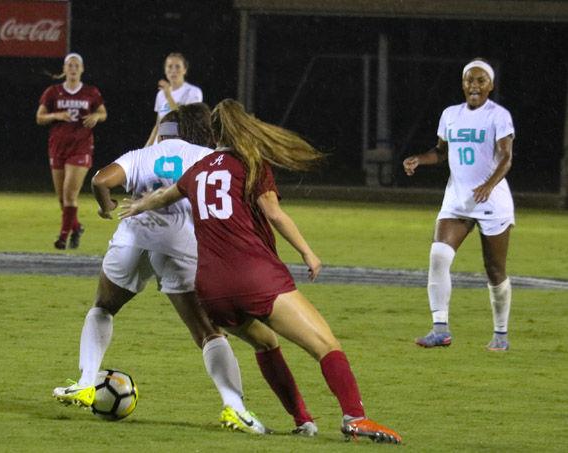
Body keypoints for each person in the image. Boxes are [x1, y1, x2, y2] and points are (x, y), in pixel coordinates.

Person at [118, 99, 402, 444]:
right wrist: (308, 252)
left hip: (211, 289)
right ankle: (355, 417)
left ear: (214, 134)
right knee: (326, 345)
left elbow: (165, 195)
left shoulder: (199, 168)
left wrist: (138, 205)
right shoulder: (250, 163)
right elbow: (275, 214)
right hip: (253, 277)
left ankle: (303, 420)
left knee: (266, 343)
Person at [53, 103, 316, 436]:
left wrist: (107, 207)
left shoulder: (143, 154)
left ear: (166, 129)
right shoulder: (208, 157)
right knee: (208, 333)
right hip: (181, 244)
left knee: (103, 307)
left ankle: (87, 382)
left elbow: (101, 180)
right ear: (205, 130)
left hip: (134, 235)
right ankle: (235, 409)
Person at [403, 58, 515, 352]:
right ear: (463, 83)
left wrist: (488, 185)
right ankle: (440, 329)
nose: (474, 86)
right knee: (438, 256)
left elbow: (506, 157)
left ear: (490, 85)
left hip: (492, 201)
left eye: (480, 81)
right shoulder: (450, 114)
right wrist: (419, 159)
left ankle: (500, 334)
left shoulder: (498, 116)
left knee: (494, 269)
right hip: (457, 199)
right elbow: (440, 153)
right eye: (469, 80)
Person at [36, 53, 107, 250]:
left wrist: (95, 117)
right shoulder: (53, 92)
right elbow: (40, 117)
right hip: (58, 147)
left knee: (69, 194)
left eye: (77, 65)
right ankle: (76, 227)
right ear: (64, 69)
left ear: (82, 69)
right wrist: (57, 115)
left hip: (81, 147)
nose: (73, 68)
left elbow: (103, 113)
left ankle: (63, 236)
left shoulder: (91, 92)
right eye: (70, 65)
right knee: (62, 198)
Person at [145, 52, 202, 146]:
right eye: (170, 66)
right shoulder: (160, 94)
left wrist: (168, 96)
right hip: (159, 146)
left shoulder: (193, 92)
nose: (173, 70)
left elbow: (185, 119)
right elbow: (158, 124)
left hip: (180, 144)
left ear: (185, 70)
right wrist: (147, 147)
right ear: (165, 70)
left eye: (177, 66)